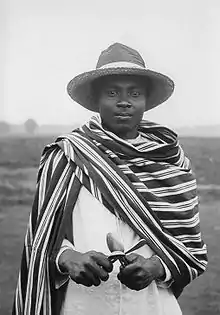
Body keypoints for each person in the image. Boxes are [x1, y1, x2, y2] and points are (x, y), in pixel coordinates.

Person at [13, 43, 208, 315]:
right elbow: (41, 238)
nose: (124, 101)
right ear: (97, 100)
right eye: (112, 92)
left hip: (152, 305)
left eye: (135, 93)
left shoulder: (172, 163)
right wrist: (68, 258)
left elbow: (191, 251)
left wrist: (156, 267)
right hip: (82, 304)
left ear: (146, 100)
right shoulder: (68, 156)